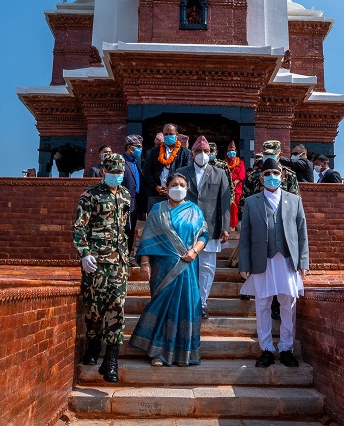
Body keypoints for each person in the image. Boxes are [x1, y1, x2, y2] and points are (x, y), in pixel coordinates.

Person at [130, 172, 207, 366]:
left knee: (186, 306)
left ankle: (184, 354)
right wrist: (145, 263)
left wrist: (194, 252)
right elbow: (147, 238)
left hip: (187, 265)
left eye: (182, 184)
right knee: (163, 306)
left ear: (187, 189)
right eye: (174, 184)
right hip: (162, 267)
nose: (178, 187)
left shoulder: (195, 210)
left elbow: (204, 236)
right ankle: (158, 352)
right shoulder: (157, 210)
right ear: (167, 187)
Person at [238, 158, 309, 369]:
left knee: (288, 305)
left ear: (282, 176)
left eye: (275, 173)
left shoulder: (294, 200)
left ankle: (286, 348)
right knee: (263, 305)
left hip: (287, 259)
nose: (272, 176)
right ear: (261, 177)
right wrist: (244, 264)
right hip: (262, 259)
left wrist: (303, 261)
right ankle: (267, 349)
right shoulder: (252, 202)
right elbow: (245, 236)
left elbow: (302, 233)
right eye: (267, 173)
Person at [72, 152, 131, 383]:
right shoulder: (90, 195)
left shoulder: (126, 195)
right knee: (94, 307)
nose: (117, 176)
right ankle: (94, 344)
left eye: (120, 172)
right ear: (104, 171)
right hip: (96, 262)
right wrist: (84, 254)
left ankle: (112, 358)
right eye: (113, 172)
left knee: (117, 305)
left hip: (119, 262)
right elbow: (79, 227)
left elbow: (125, 227)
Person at [173, 136, 232, 319]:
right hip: (185, 226)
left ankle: (201, 304)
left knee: (206, 268)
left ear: (211, 154)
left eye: (206, 151)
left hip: (210, 227)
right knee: (184, 266)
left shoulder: (219, 173)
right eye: (199, 151)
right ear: (192, 154)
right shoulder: (181, 172)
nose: (203, 155)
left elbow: (224, 201)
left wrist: (225, 226)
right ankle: (185, 303)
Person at [123, 135, 143, 259]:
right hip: (124, 203)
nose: (140, 150)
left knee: (130, 231)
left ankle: (127, 255)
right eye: (138, 147)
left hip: (134, 203)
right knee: (123, 231)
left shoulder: (134, 163)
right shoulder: (122, 162)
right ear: (130, 147)